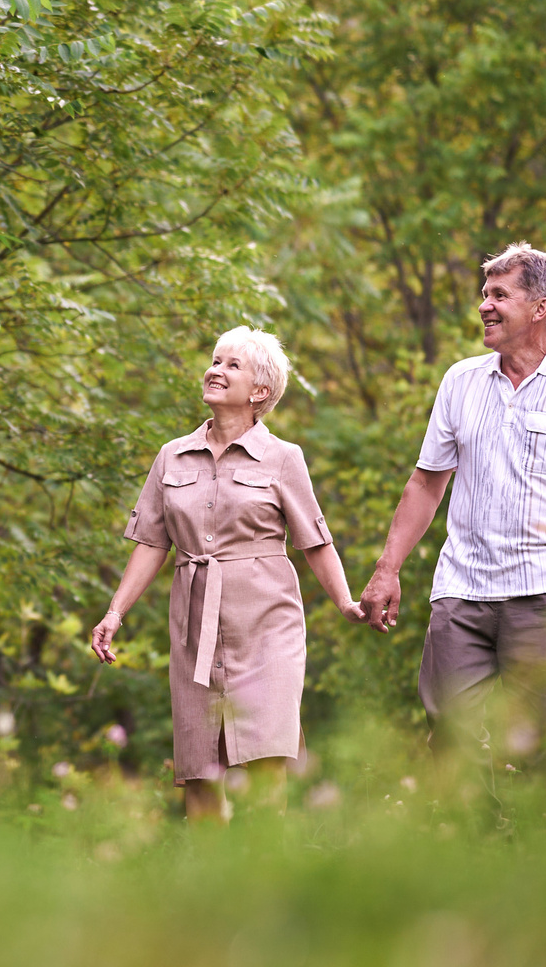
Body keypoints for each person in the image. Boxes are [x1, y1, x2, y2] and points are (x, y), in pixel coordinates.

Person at [357, 244, 546, 763]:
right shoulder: (460, 381)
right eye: (484, 294)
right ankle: (466, 819)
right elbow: (426, 483)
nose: (484, 305)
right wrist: (386, 568)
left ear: (540, 308)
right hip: (462, 591)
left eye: (499, 295)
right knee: (451, 743)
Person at [89, 327, 360, 820]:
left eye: (233, 365)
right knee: (200, 769)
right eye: (216, 361)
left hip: (267, 629)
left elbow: (315, 542)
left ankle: (266, 865)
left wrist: (346, 603)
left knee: (265, 759)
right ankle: (209, 868)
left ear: (260, 390)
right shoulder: (171, 455)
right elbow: (151, 542)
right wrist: (114, 612)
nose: (216, 370)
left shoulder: (284, 458)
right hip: (195, 631)